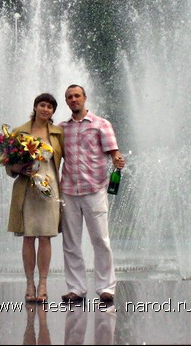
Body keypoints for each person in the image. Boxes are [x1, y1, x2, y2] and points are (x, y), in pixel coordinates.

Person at [58, 84, 125, 304]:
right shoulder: (62, 128)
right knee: (70, 243)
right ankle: (76, 288)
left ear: (85, 98)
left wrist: (117, 160)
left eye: (77, 95)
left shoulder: (101, 125)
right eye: (69, 97)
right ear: (66, 101)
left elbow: (114, 153)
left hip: (94, 190)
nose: (73, 99)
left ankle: (106, 287)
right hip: (68, 190)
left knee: (101, 241)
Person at [6, 93, 64, 304]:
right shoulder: (19, 132)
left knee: (46, 236)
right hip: (27, 188)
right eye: (42, 105)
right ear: (35, 106)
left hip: (49, 190)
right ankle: (30, 283)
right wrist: (18, 167)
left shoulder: (59, 133)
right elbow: (8, 165)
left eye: (50, 106)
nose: (45, 109)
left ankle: (43, 284)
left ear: (53, 111)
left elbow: (70, 157)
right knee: (29, 236)